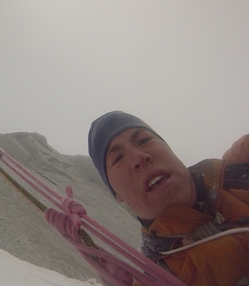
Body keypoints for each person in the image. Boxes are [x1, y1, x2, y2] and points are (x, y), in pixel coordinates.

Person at [88, 110, 249, 286]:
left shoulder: (242, 164)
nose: (139, 158)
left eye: (144, 140)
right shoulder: (153, 280)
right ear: (116, 193)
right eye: (118, 158)